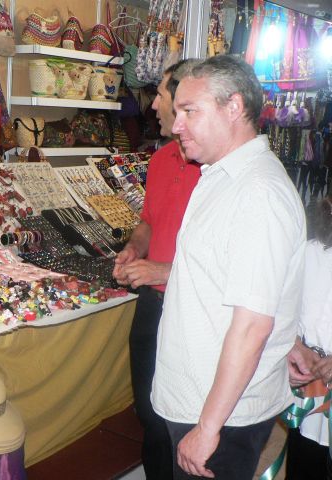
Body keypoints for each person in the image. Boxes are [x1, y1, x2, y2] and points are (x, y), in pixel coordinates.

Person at [151, 54, 306, 479]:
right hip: (201, 401)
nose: (177, 125)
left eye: (190, 111)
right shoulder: (221, 176)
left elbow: (252, 325)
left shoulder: (257, 192)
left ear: (233, 107)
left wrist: (207, 428)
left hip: (220, 414)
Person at [113, 59, 201, 480]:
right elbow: (149, 221)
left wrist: (163, 271)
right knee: (149, 413)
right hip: (152, 305)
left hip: (193, 310)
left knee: (183, 419)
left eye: (161, 96)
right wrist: (135, 248)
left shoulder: (216, 171)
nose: (152, 106)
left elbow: (223, 261)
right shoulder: (161, 159)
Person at [285, 194, 332, 480]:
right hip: (309, 384)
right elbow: (279, 313)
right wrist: (293, 349)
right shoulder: (305, 253)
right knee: (304, 463)